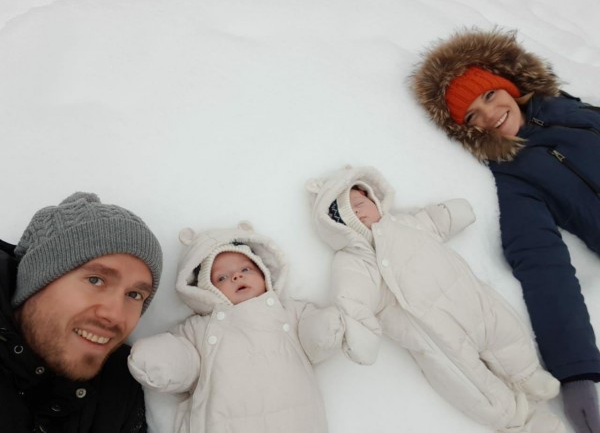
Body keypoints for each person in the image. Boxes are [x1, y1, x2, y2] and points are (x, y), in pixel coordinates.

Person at [411, 26, 600, 433]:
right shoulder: (515, 176)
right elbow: (542, 264)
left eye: (489, 95)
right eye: (471, 116)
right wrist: (576, 371)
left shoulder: (569, 110)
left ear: (509, 84)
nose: (489, 115)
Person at [305, 165, 563, 433]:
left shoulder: (405, 224)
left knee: (503, 330)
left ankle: (526, 374)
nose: (357, 214)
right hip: (433, 335)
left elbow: (432, 222)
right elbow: (352, 299)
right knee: (469, 384)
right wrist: (360, 334)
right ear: (336, 229)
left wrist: (451, 213)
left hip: (469, 300)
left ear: (373, 198)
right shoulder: (354, 261)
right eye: (345, 217)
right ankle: (521, 422)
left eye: (359, 204)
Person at [128, 221, 343, 433]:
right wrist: (158, 359)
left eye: (246, 269)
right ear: (207, 290)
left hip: (294, 420)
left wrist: (324, 328)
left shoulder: (290, 313)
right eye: (222, 277)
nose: (236, 276)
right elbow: (185, 361)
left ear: (264, 273)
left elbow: (312, 338)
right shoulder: (199, 328)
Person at [0, 192, 163, 433]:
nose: (115, 315)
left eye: (134, 295)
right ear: (35, 281)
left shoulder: (121, 386)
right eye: (95, 280)